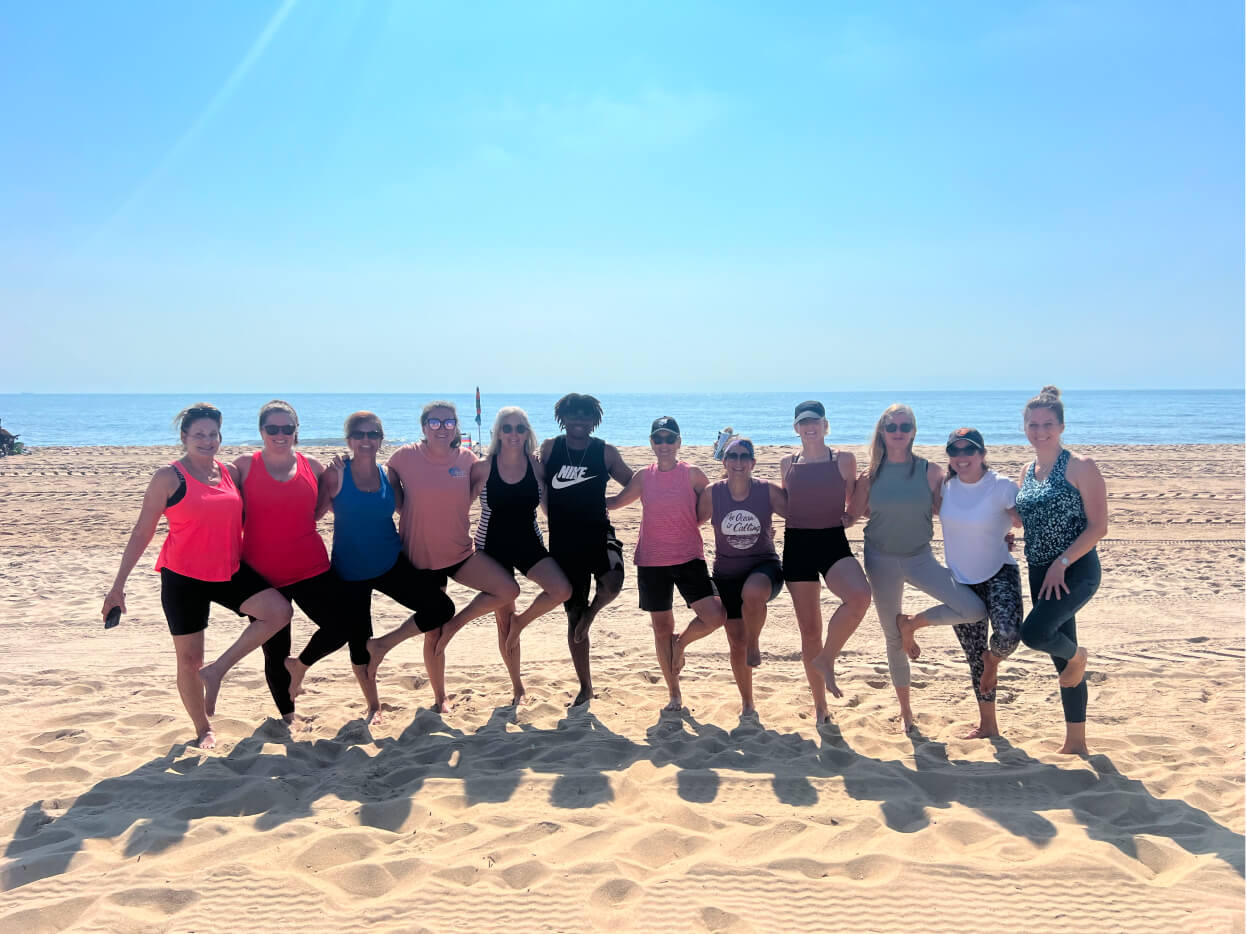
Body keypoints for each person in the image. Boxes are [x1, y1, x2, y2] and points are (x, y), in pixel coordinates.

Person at [101, 403, 293, 749]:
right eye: (199, 435)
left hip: (229, 570)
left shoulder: (230, 473)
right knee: (189, 660)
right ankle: (203, 728)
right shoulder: (168, 477)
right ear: (184, 438)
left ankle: (217, 670)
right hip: (183, 578)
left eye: (213, 434)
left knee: (278, 612)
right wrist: (118, 586)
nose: (207, 441)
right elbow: (143, 531)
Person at [367, 400, 520, 713]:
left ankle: (455, 625)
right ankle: (440, 698)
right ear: (424, 427)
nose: (441, 428)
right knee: (432, 630)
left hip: (460, 553)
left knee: (508, 590)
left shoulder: (467, 460)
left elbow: (483, 485)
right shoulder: (404, 457)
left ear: (456, 427)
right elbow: (390, 485)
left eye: (448, 422)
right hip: (420, 559)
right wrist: (404, 508)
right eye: (434, 422)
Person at [851, 404, 987, 733]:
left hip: (920, 558)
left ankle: (912, 623)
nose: (898, 432)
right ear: (882, 432)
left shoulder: (931, 472)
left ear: (913, 432)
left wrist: (995, 532)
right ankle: (907, 714)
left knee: (974, 608)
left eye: (904, 426)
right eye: (892, 426)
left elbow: (953, 515)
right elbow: (849, 517)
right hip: (880, 561)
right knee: (891, 638)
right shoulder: (869, 475)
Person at [313, 411, 456, 725]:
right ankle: (373, 706)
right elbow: (312, 515)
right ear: (349, 440)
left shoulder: (389, 476)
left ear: (380, 439)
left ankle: (384, 644)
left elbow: (412, 506)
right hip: (349, 572)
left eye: (373, 434)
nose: (367, 440)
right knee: (358, 644)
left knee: (441, 608)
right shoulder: (335, 475)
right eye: (360, 435)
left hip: (390, 562)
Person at [230, 400, 363, 724]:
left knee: (343, 625)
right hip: (262, 576)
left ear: (296, 431)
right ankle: (288, 717)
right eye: (272, 428)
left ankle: (300, 666)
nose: (280, 434)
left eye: (287, 428)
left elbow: (320, 509)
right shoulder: (244, 466)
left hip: (310, 567)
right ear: (262, 431)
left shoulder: (313, 466)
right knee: (274, 651)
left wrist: (345, 472)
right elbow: (221, 508)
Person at [898, 428, 1024, 738]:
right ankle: (988, 725)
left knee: (1007, 637)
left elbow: (1023, 521)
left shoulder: (1002, 487)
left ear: (982, 454)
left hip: (999, 573)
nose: (962, 456)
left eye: (969, 450)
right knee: (973, 656)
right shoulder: (945, 487)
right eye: (955, 450)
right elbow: (919, 509)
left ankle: (992, 662)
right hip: (961, 579)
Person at [607, 416, 727, 712]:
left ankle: (681, 644)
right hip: (651, 561)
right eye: (658, 439)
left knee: (714, 617)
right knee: (662, 629)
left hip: (689, 557)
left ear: (678, 442)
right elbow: (617, 502)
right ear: (651, 443)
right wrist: (573, 497)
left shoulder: (693, 474)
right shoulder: (643, 477)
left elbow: (714, 499)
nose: (663, 444)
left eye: (669, 439)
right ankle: (674, 692)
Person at [1014, 387, 1107, 755]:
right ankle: (1076, 742)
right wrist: (1011, 528)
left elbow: (1098, 527)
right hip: (1039, 571)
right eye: (1033, 424)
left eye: (1047, 424)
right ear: (1025, 428)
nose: (1040, 431)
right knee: (1059, 654)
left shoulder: (1081, 466)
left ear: (1062, 426)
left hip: (1076, 569)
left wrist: (1062, 562)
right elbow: (1031, 518)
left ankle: (1078, 656)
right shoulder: (1027, 470)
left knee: (1035, 633)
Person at [470, 406, 572, 705]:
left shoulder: (536, 466)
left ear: (528, 433)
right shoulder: (483, 467)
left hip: (529, 543)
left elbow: (549, 509)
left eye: (520, 428)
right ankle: (517, 686)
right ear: (498, 433)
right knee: (503, 618)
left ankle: (521, 622)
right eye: (507, 428)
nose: (514, 434)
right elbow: (457, 503)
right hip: (492, 547)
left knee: (561, 589)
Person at [781, 401, 872, 724]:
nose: (810, 427)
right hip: (797, 545)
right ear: (796, 428)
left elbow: (854, 503)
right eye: (803, 422)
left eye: (815, 421)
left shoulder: (844, 460)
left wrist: (853, 516)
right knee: (810, 631)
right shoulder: (786, 463)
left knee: (860, 595)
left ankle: (827, 658)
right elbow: (787, 503)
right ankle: (821, 707)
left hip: (832, 540)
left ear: (825, 425)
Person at [539, 393, 633, 707]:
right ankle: (586, 686)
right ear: (562, 418)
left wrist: (617, 503)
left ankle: (592, 615)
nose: (579, 421)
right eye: (573, 415)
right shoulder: (551, 447)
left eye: (585, 416)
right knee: (572, 616)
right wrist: (543, 507)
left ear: (594, 420)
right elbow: (536, 481)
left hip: (598, 533)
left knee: (614, 581)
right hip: (564, 542)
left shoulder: (604, 451)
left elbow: (633, 482)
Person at [696, 437, 787, 716]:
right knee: (736, 642)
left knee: (753, 593)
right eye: (732, 456)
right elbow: (692, 522)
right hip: (726, 574)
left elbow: (799, 516)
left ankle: (755, 644)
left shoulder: (767, 491)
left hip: (765, 567)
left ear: (753, 462)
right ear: (724, 462)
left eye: (744, 456)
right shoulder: (713, 493)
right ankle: (748, 703)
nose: (738, 461)